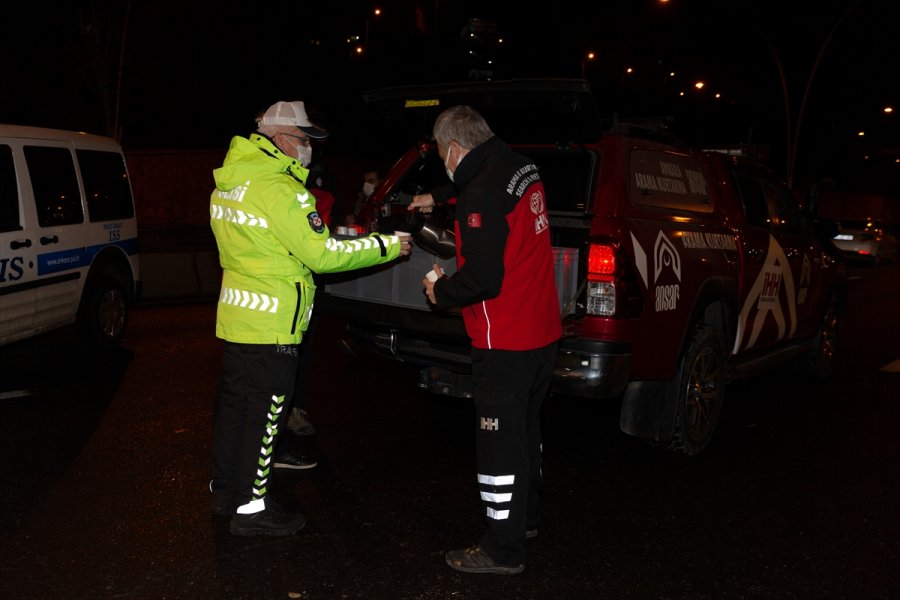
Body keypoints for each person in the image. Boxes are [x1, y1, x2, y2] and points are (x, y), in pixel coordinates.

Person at [208, 99, 412, 536]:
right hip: (274, 318)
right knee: (266, 414)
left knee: (235, 409)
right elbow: (320, 254)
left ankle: (226, 493)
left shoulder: (231, 180)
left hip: (238, 316)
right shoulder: (280, 189)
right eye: (303, 140)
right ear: (280, 138)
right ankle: (252, 509)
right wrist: (386, 245)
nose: (308, 150)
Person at [409, 105, 561, 574]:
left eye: (441, 157)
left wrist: (441, 290)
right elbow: (483, 192)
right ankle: (524, 521)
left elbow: (483, 278)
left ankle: (502, 550)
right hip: (542, 332)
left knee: (498, 446)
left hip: (505, 339)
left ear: (454, 148)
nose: (444, 164)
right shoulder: (518, 165)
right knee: (525, 434)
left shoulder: (479, 192)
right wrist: (438, 195)